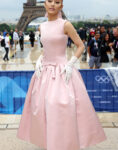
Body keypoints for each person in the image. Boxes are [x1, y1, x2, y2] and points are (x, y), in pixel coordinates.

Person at [17, 0, 106, 150]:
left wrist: (70, 63)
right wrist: (40, 59)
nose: (52, 4)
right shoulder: (41, 26)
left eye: (57, 1)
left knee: (61, 110)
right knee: (44, 111)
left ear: (61, 6)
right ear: (44, 4)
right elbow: (47, 48)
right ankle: (51, 142)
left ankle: (63, 143)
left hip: (62, 71)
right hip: (45, 72)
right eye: (49, 1)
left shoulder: (65, 24)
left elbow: (81, 45)